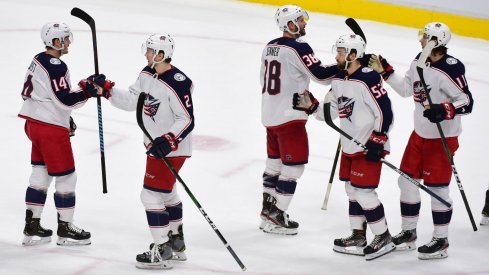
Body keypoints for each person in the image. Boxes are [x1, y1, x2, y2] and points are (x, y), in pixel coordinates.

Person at [368, 22, 474, 259]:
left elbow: (467, 102)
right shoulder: (419, 60)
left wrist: (445, 109)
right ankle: (408, 234)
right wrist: (386, 71)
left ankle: (441, 241)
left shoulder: (451, 68)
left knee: (438, 189)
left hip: (442, 138)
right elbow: (407, 89)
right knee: (406, 182)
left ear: (436, 42)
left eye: (425, 38)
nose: (420, 41)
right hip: (419, 135)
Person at [96, 34, 193, 269]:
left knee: (150, 195)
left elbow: (187, 119)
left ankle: (162, 250)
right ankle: (176, 243)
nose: (146, 54)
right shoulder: (146, 74)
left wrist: (168, 140)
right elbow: (132, 101)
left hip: (172, 149)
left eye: (150, 51)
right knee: (167, 193)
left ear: (161, 54)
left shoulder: (179, 82)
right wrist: (106, 91)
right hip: (156, 146)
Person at [295, 34, 395, 260]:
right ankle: (358, 235)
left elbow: (385, 112)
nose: (336, 55)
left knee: (364, 192)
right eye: (337, 50)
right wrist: (312, 108)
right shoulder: (339, 79)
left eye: (341, 52)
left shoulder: (368, 79)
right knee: (352, 191)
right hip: (350, 144)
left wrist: (378, 140)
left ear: (353, 54)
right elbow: (332, 113)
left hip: (369, 145)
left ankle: (384, 237)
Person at [18, 22, 103, 246]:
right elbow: (64, 99)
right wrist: (88, 90)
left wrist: (65, 118)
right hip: (50, 129)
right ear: (55, 42)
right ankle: (65, 230)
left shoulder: (38, 59)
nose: (68, 42)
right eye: (65, 39)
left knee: (40, 174)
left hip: (33, 124)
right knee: (66, 177)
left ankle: (32, 225)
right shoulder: (57, 65)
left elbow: (41, 94)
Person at [259, 4, 340, 235]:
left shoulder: (269, 47)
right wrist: (344, 67)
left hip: (269, 114)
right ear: (291, 25)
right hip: (290, 117)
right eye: (301, 20)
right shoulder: (298, 47)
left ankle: (267, 211)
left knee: (274, 165)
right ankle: (277, 216)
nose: (305, 23)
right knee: (293, 168)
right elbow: (321, 75)